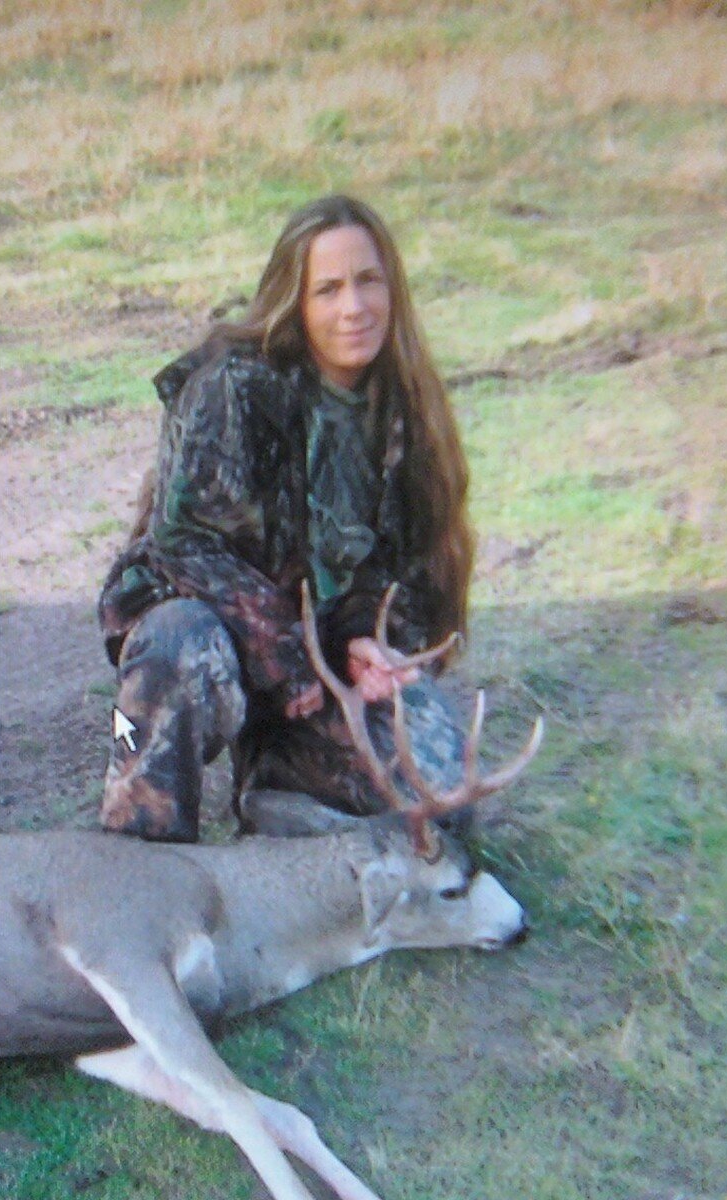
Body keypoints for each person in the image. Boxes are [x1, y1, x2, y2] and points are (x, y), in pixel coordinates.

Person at [96, 194, 476, 842]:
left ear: (394, 289)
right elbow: (182, 544)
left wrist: (364, 639)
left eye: (367, 281)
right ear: (293, 300)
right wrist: (286, 652)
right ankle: (139, 845)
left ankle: (274, 784)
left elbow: (398, 572)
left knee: (446, 799)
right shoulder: (232, 383)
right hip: (209, 629)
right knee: (180, 645)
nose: (353, 307)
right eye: (327, 289)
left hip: (313, 664)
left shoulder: (401, 409)